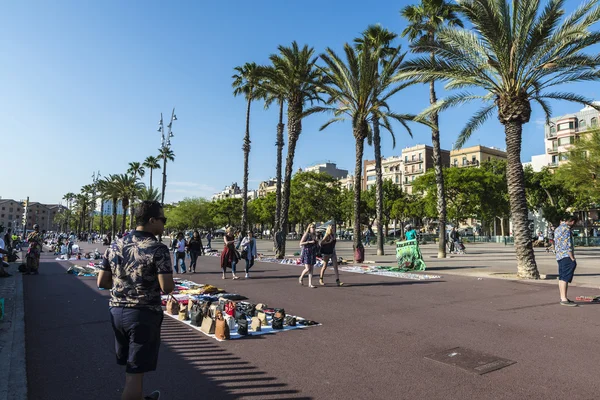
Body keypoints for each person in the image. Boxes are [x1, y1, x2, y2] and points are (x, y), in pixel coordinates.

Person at [98, 201, 173, 400]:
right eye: (163, 220)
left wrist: (124, 284)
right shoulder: (158, 249)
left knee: (132, 366)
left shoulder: (115, 245)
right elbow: (167, 287)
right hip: (142, 314)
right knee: (134, 372)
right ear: (152, 220)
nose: (164, 224)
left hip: (116, 312)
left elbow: (102, 282)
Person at [554, 216, 579, 307]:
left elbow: (556, 243)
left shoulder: (558, 229)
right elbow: (567, 245)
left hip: (559, 256)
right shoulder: (567, 230)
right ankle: (564, 299)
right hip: (566, 256)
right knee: (565, 278)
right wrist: (572, 258)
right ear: (572, 222)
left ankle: (562, 297)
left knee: (561, 277)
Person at [299, 224, 318, 288]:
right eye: (312, 227)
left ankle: (310, 283)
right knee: (307, 268)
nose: (314, 229)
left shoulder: (315, 235)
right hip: (306, 252)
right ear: (309, 228)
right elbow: (301, 243)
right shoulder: (307, 234)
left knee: (311, 269)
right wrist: (309, 242)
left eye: (314, 227)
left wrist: (316, 243)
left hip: (312, 252)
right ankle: (301, 277)